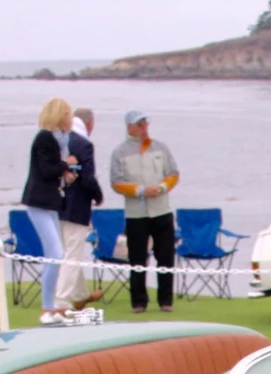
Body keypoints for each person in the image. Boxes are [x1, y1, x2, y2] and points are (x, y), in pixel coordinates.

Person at [109, 109, 180, 313]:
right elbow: (116, 182)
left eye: (145, 124)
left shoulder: (161, 148)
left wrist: (162, 187)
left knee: (166, 256)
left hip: (161, 210)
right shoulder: (120, 152)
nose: (144, 128)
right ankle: (139, 302)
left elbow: (173, 174)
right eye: (139, 125)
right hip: (136, 213)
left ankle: (166, 300)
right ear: (129, 127)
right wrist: (139, 190)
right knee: (138, 258)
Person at [21, 97, 78, 324]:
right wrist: (66, 165)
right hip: (39, 203)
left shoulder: (59, 141)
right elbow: (46, 169)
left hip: (51, 203)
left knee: (55, 254)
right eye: (67, 114)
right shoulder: (45, 138)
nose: (70, 119)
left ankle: (52, 306)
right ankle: (47, 308)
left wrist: (65, 172)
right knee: (54, 254)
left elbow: (52, 168)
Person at [56, 107, 105, 312]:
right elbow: (87, 177)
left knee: (65, 251)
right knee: (73, 254)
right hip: (76, 207)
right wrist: (98, 195)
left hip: (56, 204)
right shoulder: (84, 144)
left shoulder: (58, 139)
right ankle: (60, 301)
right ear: (89, 123)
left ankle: (80, 295)